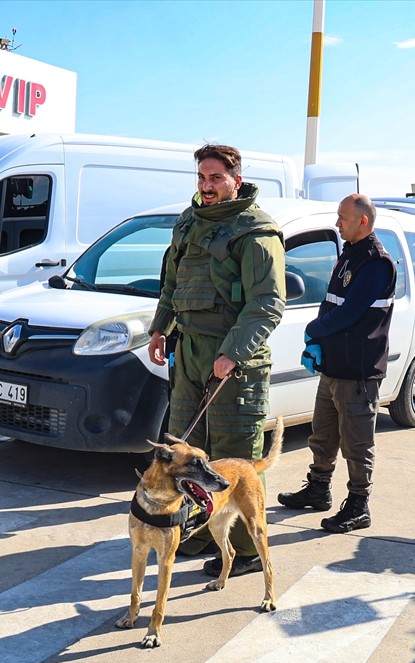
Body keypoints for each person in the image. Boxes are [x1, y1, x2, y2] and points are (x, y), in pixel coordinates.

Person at [147, 144, 286, 578]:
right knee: (187, 452)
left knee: (235, 455)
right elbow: (172, 281)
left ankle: (245, 550)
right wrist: (161, 328)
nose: (207, 187)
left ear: (236, 181)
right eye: (202, 178)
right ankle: (202, 532)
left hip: (234, 361)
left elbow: (267, 303)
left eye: (216, 179)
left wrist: (233, 353)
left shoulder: (256, 232)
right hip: (188, 352)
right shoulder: (189, 221)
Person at [278, 194, 396, 533]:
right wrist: (318, 340)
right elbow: (331, 304)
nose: (338, 222)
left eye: (343, 217)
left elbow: (350, 312)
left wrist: (312, 331)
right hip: (334, 366)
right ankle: (318, 489)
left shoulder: (376, 263)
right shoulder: (349, 254)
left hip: (358, 372)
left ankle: (359, 505)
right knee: (323, 434)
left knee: (357, 443)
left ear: (363, 221)